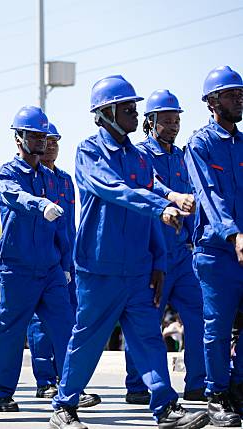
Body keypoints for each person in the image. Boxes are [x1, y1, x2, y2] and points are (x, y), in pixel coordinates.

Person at [49, 75, 208, 429]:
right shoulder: (90, 151)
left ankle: (165, 407)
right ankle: (64, 405)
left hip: (137, 268)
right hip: (99, 266)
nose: (136, 114)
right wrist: (160, 207)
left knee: (149, 336)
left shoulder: (138, 157)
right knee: (87, 338)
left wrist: (158, 260)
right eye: (128, 108)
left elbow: (152, 204)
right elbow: (113, 189)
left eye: (135, 108)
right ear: (106, 112)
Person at [0, 106, 89, 414]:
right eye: (35, 135)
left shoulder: (50, 177)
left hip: (51, 269)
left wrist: (66, 263)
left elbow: (62, 227)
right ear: (19, 138)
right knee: (11, 331)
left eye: (44, 135)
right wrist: (40, 202)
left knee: (67, 328)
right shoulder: (6, 173)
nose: (42, 141)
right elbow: (14, 197)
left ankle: (71, 391)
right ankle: (0, 393)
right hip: (17, 268)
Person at [124, 89, 207, 405]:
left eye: (177, 120)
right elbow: (147, 186)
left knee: (198, 315)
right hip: (150, 253)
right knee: (145, 319)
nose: (173, 126)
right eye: (167, 120)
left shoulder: (184, 156)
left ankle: (197, 383)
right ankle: (137, 385)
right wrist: (172, 195)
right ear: (150, 121)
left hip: (183, 253)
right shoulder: (140, 155)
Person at [25, 123, 100, 407]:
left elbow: (71, 222)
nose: (51, 145)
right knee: (41, 324)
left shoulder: (66, 180)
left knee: (69, 321)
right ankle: (45, 381)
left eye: (55, 141)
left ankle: (67, 381)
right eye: (46, 140)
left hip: (67, 258)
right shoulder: (34, 178)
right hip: (42, 258)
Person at [185, 65, 243, 427]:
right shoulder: (200, 145)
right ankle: (216, 395)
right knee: (217, 328)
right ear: (211, 102)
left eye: (241, 93)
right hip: (217, 252)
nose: (239, 98)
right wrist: (235, 234)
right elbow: (210, 198)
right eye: (231, 93)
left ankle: (239, 387)